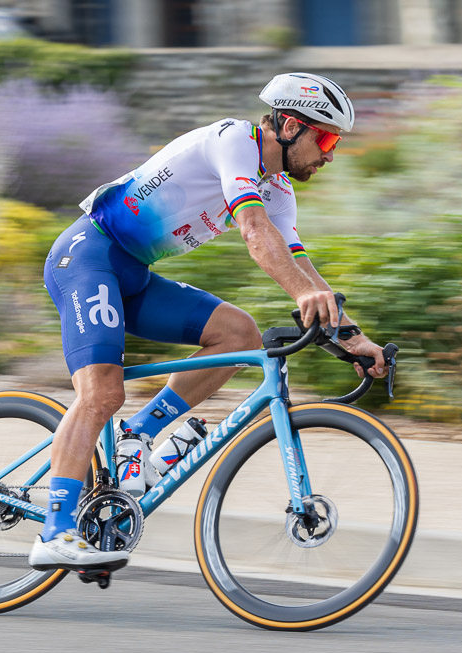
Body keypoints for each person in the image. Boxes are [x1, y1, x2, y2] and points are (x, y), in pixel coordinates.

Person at [29, 72, 388, 571]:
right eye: (325, 138)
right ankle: (55, 531)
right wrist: (308, 295)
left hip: (130, 275)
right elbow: (255, 232)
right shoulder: (232, 141)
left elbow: (301, 266)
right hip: (86, 257)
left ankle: (138, 434)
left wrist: (353, 336)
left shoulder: (278, 188)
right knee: (101, 393)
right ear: (288, 125)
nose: (329, 154)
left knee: (238, 333)